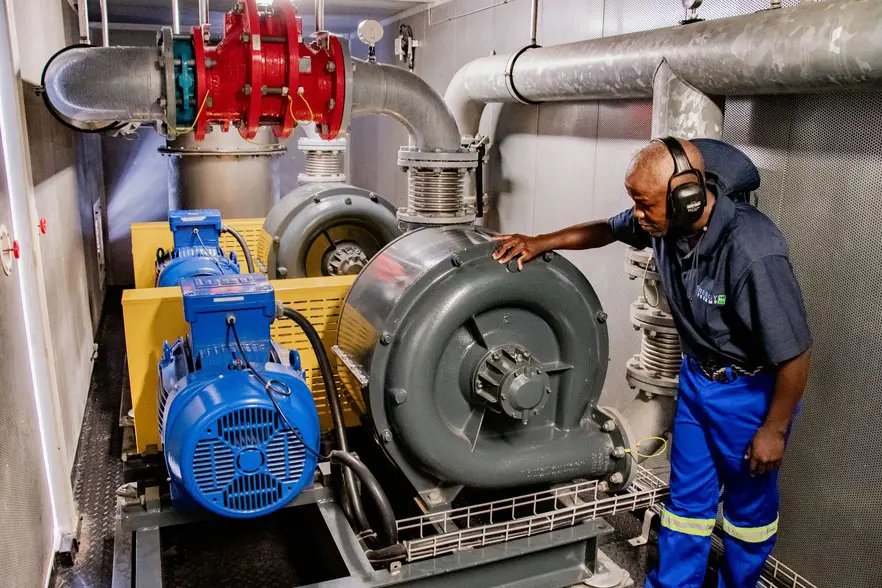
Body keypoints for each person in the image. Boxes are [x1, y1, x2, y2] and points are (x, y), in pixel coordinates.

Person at [492, 137, 812, 588]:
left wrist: (774, 430)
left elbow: (796, 353)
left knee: (748, 513)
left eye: (644, 205)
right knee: (687, 506)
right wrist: (539, 241)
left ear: (686, 198)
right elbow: (607, 228)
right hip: (698, 382)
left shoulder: (754, 251)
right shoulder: (667, 224)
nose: (637, 216)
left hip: (750, 396)